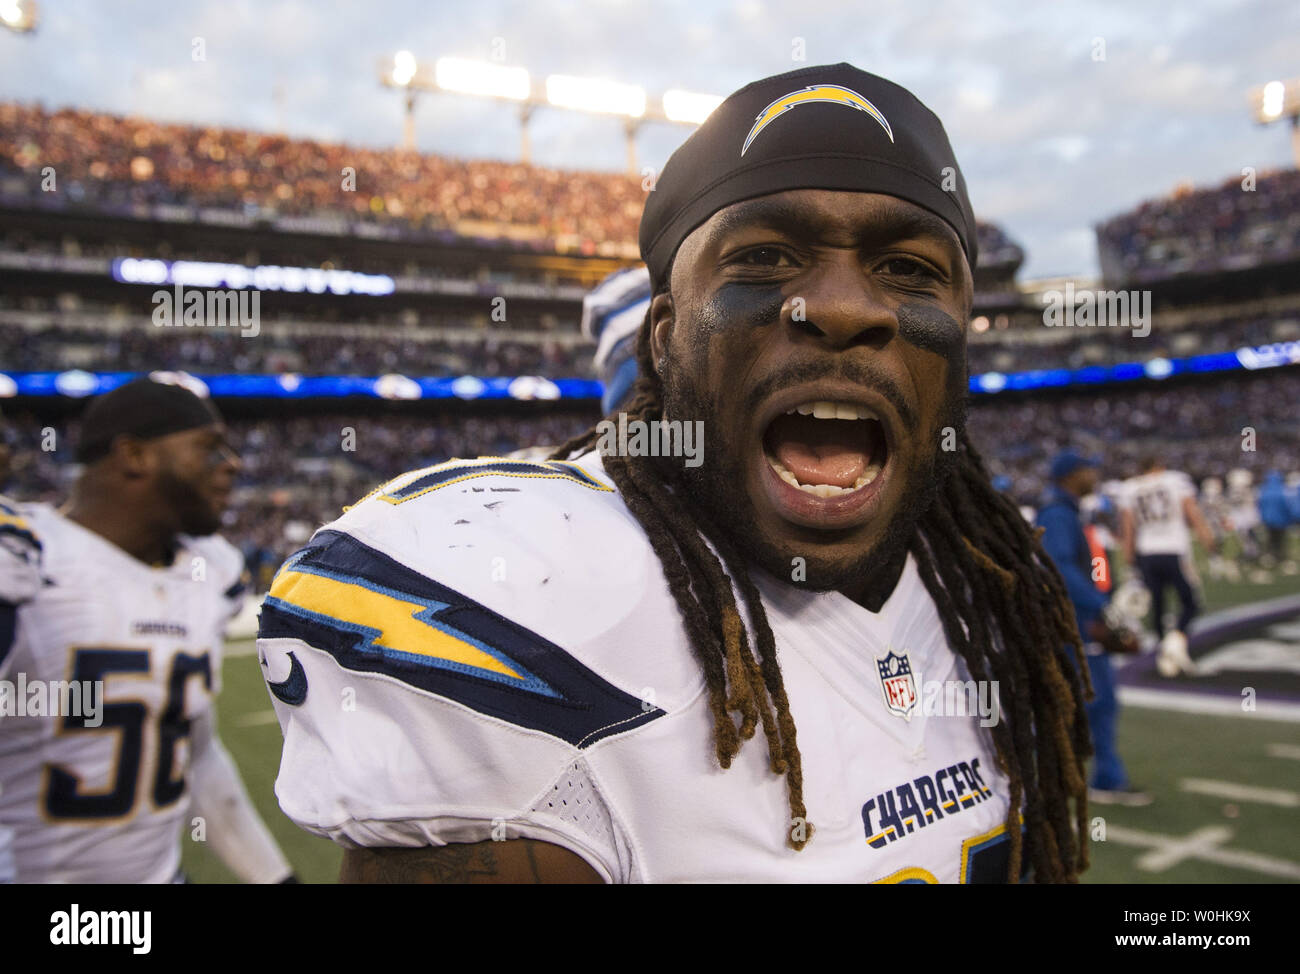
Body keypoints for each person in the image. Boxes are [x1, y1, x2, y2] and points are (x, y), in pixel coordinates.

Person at [261, 63, 1091, 883]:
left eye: (908, 270)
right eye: (764, 259)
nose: (841, 307)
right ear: (663, 339)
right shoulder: (549, 600)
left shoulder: (991, 591)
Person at [0, 377, 296, 883]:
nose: (233, 463)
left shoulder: (210, 570)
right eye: (208, 448)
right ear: (134, 455)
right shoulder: (24, 560)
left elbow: (192, 749)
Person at [1036, 451, 1150, 807]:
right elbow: (1059, 568)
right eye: (1087, 468)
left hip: (1076, 622)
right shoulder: (1057, 514)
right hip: (1073, 625)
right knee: (1095, 702)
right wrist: (1103, 606)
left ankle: (1073, 775)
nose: (1094, 473)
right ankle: (1101, 778)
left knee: (1086, 703)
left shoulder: (1067, 511)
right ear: (1070, 475)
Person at [1119, 455, 1215, 677]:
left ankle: (1164, 654)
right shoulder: (1175, 480)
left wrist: (1128, 557)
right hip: (1174, 550)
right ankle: (1176, 640)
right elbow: (1192, 512)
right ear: (1160, 465)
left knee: (1158, 605)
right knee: (1190, 603)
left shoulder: (1130, 488)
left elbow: (1128, 526)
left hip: (1146, 552)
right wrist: (1207, 538)